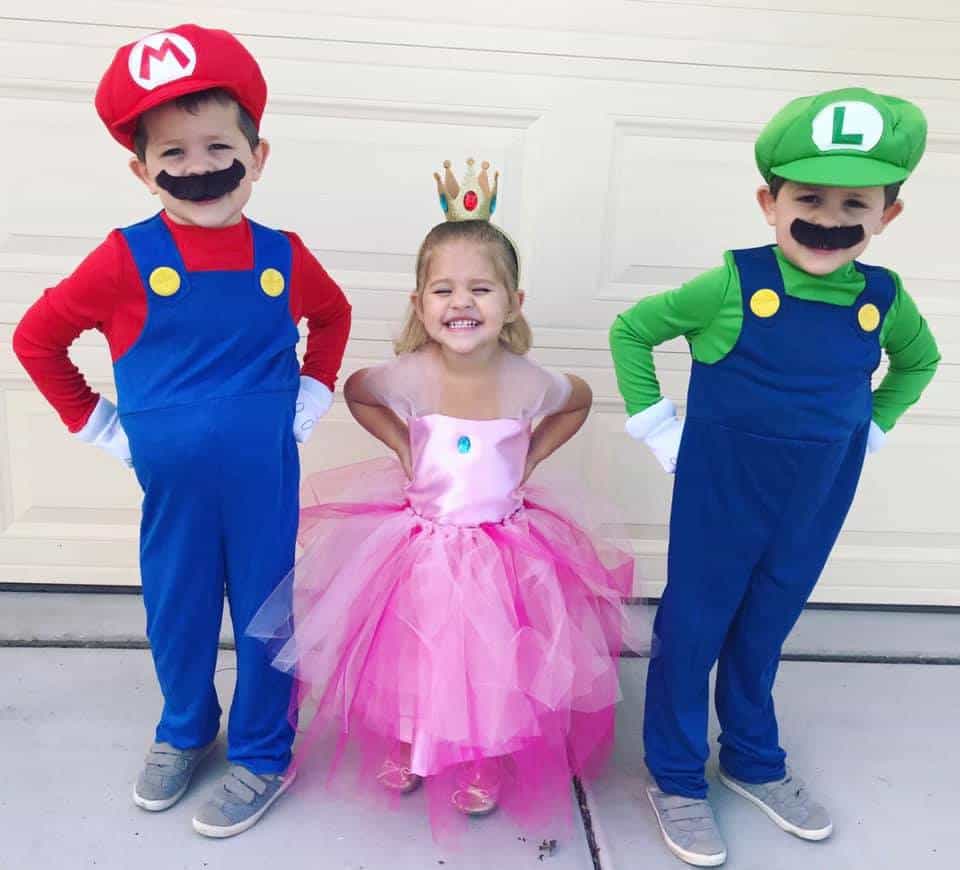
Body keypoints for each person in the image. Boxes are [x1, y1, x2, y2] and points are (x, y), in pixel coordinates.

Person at [12, 24, 351, 837]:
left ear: (257, 153)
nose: (200, 168)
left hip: (264, 481)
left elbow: (332, 315)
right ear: (141, 169)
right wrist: (99, 424)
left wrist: (312, 393)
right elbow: (35, 338)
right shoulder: (123, 259)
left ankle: (266, 750)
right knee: (179, 609)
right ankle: (186, 727)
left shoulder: (283, 255)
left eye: (217, 145)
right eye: (172, 154)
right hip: (173, 493)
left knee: (269, 615)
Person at [248, 158, 634, 840]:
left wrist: (533, 455)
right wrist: (402, 446)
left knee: (492, 656)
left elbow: (580, 401)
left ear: (513, 304)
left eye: (482, 289)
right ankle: (412, 737)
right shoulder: (408, 375)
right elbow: (357, 391)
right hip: (419, 548)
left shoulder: (528, 382)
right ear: (420, 305)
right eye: (445, 290)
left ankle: (480, 751)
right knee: (415, 651)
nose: (463, 303)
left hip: (503, 550)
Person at [609, 87, 940, 867]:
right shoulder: (731, 283)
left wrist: (876, 426)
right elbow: (634, 331)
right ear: (770, 202)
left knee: (765, 626)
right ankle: (679, 776)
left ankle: (751, 757)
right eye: (809, 197)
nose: (830, 217)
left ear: (888, 215)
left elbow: (920, 361)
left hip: (816, 496)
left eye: (854, 201)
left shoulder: (883, 300)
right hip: (723, 492)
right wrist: (658, 427)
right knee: (694, 629)